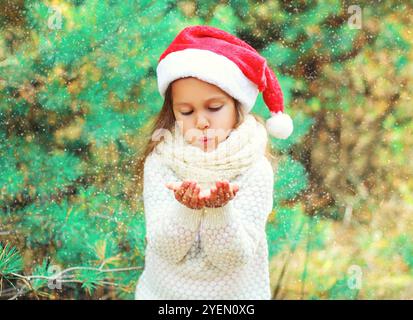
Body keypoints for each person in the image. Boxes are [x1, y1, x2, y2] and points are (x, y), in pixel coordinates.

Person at [134, 25, 293, 300]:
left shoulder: (254, 168)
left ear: (237, 106)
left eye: (214, 108)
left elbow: (233, 258)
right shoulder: (161, 161)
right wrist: (188, 209)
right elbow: (166, 248)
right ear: (172, 112)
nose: (202, 121)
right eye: (186, 111)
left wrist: (220, 211)